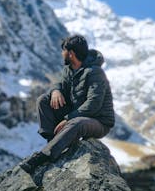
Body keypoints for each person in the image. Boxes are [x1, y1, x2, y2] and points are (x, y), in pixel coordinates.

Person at [20, 34, 115, 174]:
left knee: (77, 123)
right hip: (76, 114)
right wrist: (56, 91)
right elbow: (60, 83)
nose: (61, 53)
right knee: (43, 100)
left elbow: (93, 104)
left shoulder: (95, 73)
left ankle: (44, 156)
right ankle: (53, 142)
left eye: (63, 50)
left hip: (98, 121)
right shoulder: (69, 69)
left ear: (70, 54)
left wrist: (67, 118)